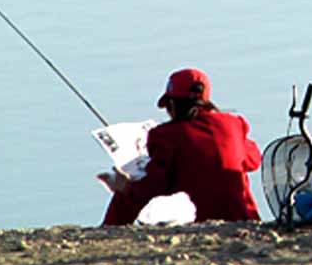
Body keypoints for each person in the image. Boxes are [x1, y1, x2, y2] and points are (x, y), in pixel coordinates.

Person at [98, 67, 262, 225]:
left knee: (129, 189)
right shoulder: (233, 123)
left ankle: (106, 233)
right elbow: (254, 161)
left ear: (173, 105)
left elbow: (153, 187)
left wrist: (125, 187)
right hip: (246, 219)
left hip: (204, 221)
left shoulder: (165, 135)